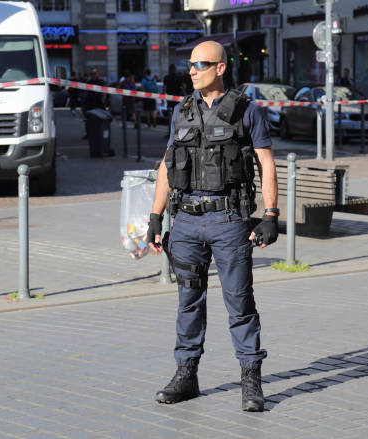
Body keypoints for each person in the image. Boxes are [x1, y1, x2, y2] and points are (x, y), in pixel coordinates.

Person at [146, 41, 279, 412]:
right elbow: (166, 166)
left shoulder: (247, 111)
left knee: (239, 302)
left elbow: (267, 163)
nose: (192, 70)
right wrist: (155, 217)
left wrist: (271, 214)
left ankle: (251, 380)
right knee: (188, 301)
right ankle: (186, 375)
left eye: (200, 64)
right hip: (186, 221)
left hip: (229, 220)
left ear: (220, 68)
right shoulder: (182, 111)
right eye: (189, 64)